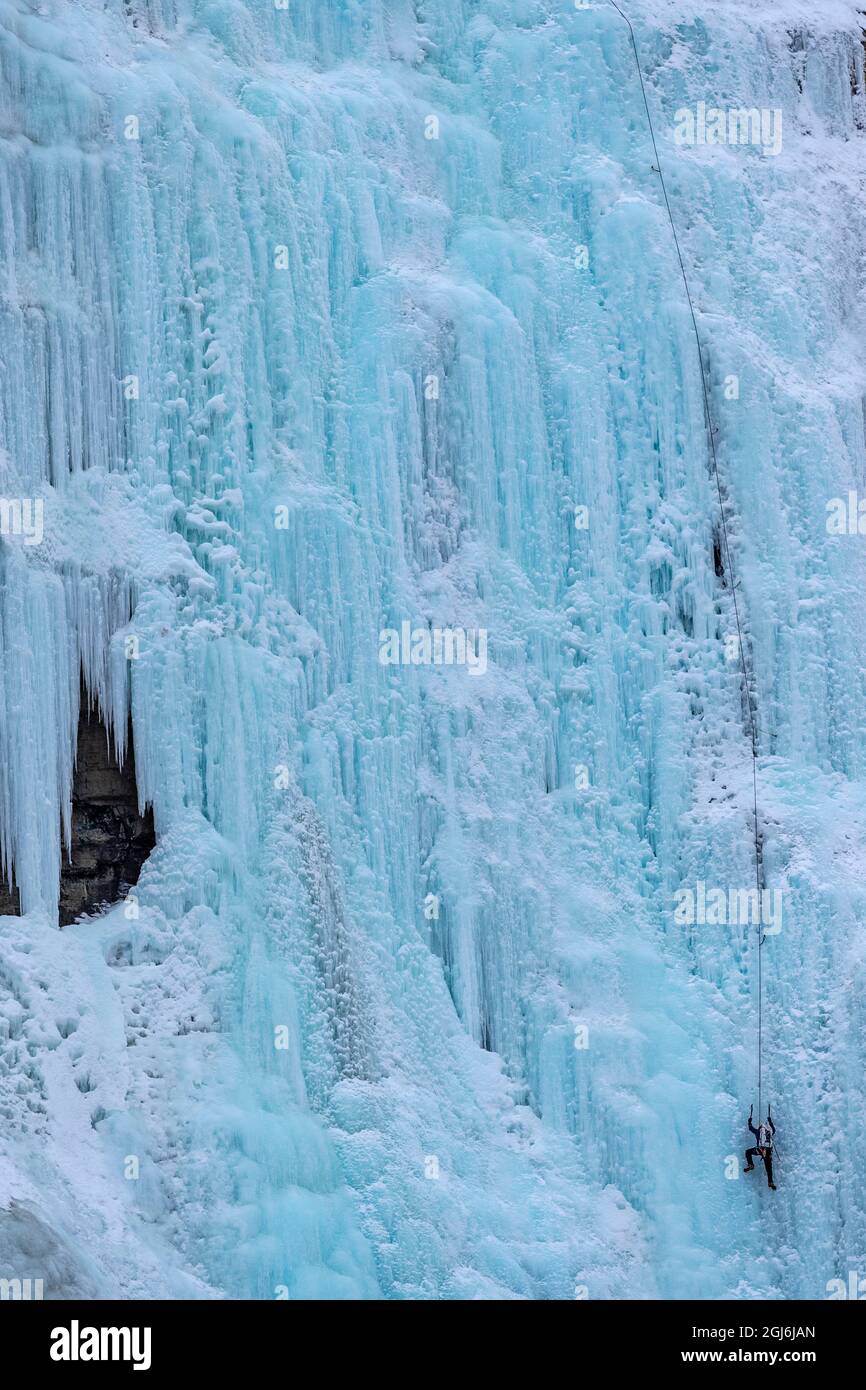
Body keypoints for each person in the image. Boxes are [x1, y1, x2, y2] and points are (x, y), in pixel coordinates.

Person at [744, 1104, 776, 1189]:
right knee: (768, 1167)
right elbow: (774, 1129)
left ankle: (751, 1165)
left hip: (760, 1150)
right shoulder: (770, 1131)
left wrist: (749, 1121)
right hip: (768, 1152)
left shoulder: (758, 1132)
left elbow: (750, 1128)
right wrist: (770, 1121)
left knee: (748, 1152)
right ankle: (770, 1181)